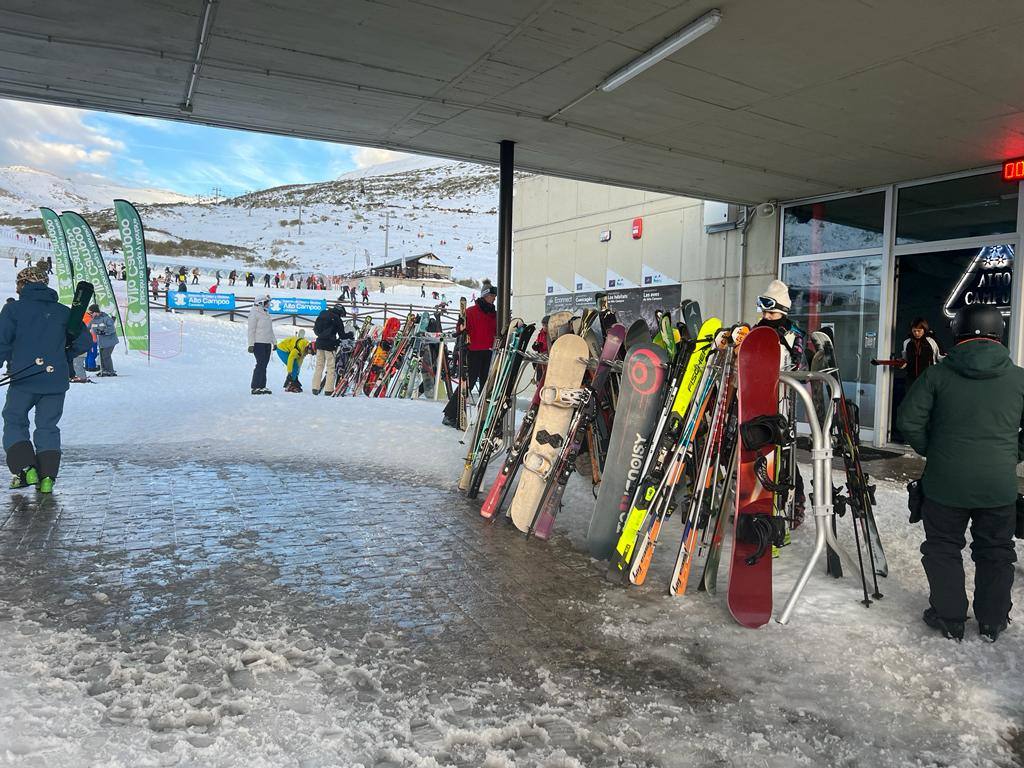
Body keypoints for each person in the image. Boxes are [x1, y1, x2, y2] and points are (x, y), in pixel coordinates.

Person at [897, 305, 1023, 642]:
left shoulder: (938, 375)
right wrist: (1013, 453)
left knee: (942, 547)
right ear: (999, 333)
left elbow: (908, 420)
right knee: (996, 551)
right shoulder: (1019, 377)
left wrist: (934, 450)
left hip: (945, 484)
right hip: (998, 486)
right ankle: (992, 621)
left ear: (958, 333)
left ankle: (949, 617)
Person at [0, 267, 91, 492]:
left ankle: (25, 469)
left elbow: (1, 343)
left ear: (22, 285)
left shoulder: (13, 310)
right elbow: (84, 342)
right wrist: (63, 356)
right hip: (55, 380)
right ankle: (48, 478)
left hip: (23, 378)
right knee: (48, 427)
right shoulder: (63, 312)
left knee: (14, 420)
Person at [754, 279, 806, 527]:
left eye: (772, 312)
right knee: (756, 452)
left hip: (782, 403)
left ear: (783, 311)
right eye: (764, 312)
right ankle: (754, 502)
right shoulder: (755, 331)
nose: (766, 316)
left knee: (783, 455)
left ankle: (793, 502)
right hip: (755, 402)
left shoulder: (794, 334)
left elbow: (800, 368)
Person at [442, 285, 497, 427]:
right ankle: (451, 414)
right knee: (468, 384)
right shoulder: (471, 311)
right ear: (485, 296)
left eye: (495, 297)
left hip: (489, 352)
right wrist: (462, 327)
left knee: (487, 385)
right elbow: (460, 329)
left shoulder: (494, 314)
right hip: (472, 352)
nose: (494, 299)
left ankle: (485, 416)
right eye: (492, 296)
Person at [312, 302, 353, 395]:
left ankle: (315, 388)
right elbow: (342, 336)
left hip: (319, 343)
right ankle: (328, 390)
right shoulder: (337, 319)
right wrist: (350, 334)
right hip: (330, 345)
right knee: (330, 367)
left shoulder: (323, 314)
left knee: (319, 366)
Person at [900, 318, 943, 388]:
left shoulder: (932, 341)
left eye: (919, 331)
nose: (916, 333)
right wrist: (900, 364)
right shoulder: (907, 342)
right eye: (914, 331)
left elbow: (940, 357)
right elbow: (905, 360)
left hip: (928, 378)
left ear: (924, 329)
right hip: (911, 379)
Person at [247, 295, 276, 395]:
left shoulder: (266, 313)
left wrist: (274, 342)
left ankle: (262, 386)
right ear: (261, 303)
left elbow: (270, 330)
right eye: (267, 302)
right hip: (258, 343)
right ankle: (255, 386)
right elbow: (251, 330)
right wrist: (251, 344)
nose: (268, 304)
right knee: (260, 364)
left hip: (267, 343)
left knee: (264, 365)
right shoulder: (254, 313)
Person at [88, 304, 119, 376]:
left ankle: (110, 371)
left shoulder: (106, 318)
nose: (90, 314)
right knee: (102, 356)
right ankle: (104, 370)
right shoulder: (93, 320)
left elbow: (112, 329)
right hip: (102, 342)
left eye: (91, 313)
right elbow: (87, 327)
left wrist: (103, 331)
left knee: (106, 355)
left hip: (110, 340)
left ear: (96, 312)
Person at [71, 306, 93, 384]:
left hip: (80, 350)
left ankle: (82, 378)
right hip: (79, 349)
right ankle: (80, 377)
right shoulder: (81, 326)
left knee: (78, 364)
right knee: (77, 364)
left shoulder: (79, 329)